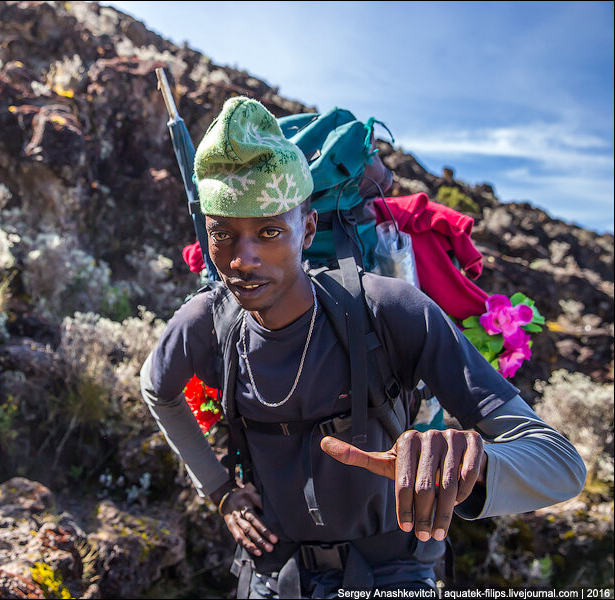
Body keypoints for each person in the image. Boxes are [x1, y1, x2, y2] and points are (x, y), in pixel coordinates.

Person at [140, 97, 586, 598]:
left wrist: (471, 463)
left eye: (269, 231)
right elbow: (157, 388)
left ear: (307, 229)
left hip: (389, 573)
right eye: (223, 233)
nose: (243, 259)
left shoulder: (391, 310)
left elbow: (562, 466)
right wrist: (221, 491)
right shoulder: (208, 320)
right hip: (272, 573)